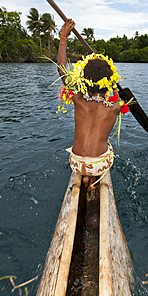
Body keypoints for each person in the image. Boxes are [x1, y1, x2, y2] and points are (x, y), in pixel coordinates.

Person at [57, 19, 123, 188]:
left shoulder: (78, 100)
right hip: (99, 164)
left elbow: (61, 68)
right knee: (107, 143)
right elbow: (114, 97)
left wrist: (64, 37)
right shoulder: (115, 108)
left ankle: (85, 177)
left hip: (76, 162)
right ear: (108, 82)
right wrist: (114, 88)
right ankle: (93, 179)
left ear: (84, 82)